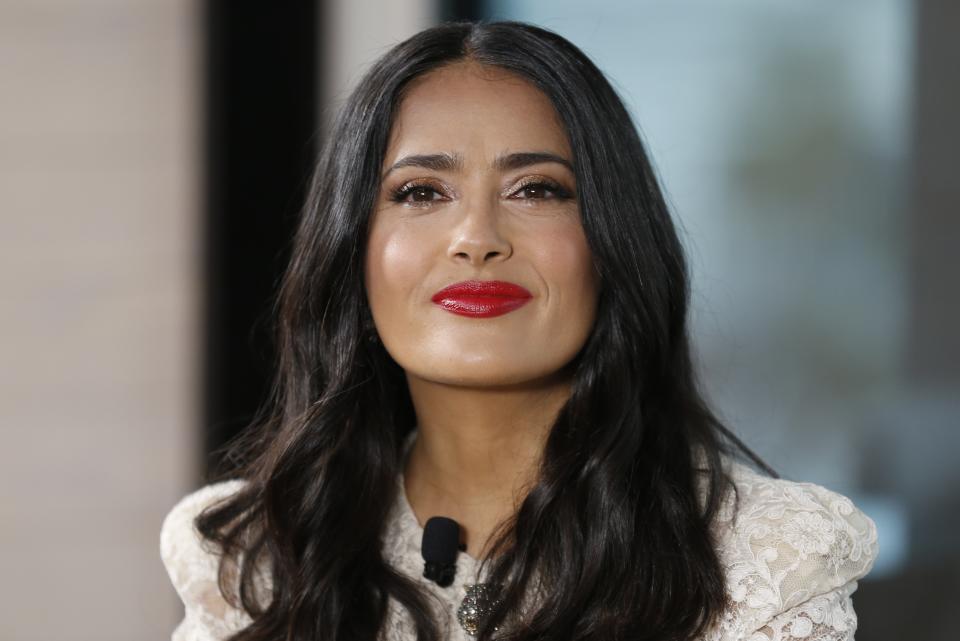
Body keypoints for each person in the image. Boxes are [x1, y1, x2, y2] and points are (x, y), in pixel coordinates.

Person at [160, 20, 878, 641]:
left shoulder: (767, 554)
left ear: (612, 239)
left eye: (537, 189)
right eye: (420, 192)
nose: (476, 236)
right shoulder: (250, 554)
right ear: (350, 246)